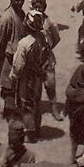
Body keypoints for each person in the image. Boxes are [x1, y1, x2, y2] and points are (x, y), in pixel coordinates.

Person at [9, 9, 52, 143]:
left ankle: (30, 133)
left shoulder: (24, 43)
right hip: (38, 76)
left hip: (26, 77)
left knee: (26, 103)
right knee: (36, 102)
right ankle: (37, 128)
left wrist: (13, 77)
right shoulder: (43, 39)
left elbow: (19, 66)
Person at [0, 0, 28, 117]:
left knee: (16, 84)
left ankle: (12, 108)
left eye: (22, 0)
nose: (19, 3)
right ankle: (9, 112)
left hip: (19, 55)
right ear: (11, 0)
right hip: (9, 56)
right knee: (8, 85)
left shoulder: (21, 14)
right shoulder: (7, 17)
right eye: (17, 0)